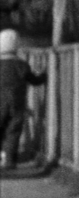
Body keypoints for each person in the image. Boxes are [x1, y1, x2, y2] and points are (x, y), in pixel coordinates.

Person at [0, 30, 47, 169]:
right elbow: (34, 80)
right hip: (17, 103)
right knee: (13, 131)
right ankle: (9, 160)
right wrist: (43, 75)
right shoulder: (22, 65)